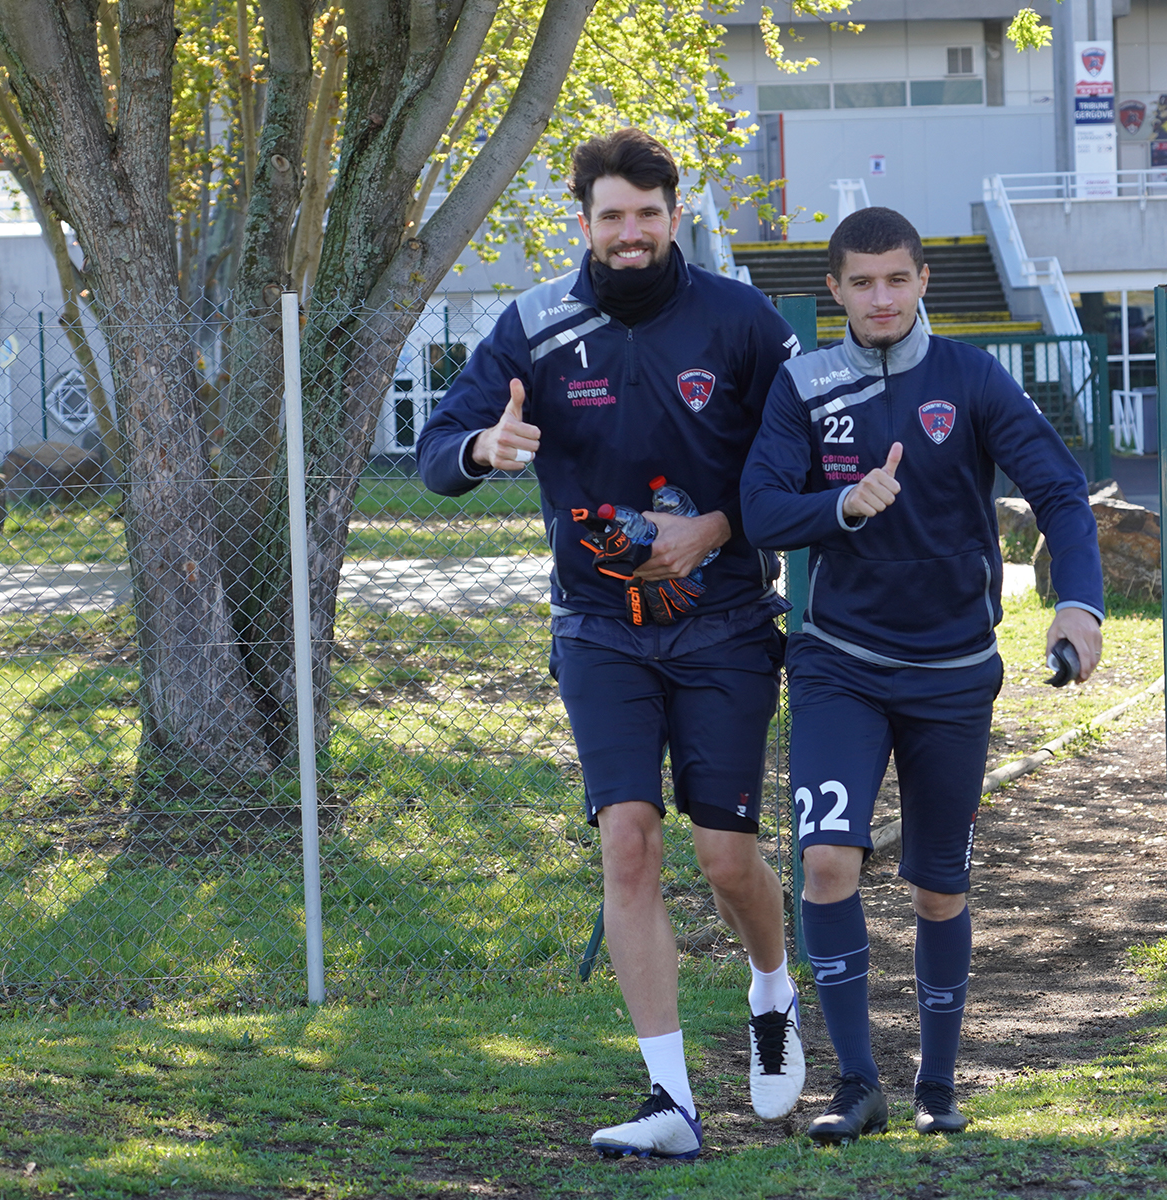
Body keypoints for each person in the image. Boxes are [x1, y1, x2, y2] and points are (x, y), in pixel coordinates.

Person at [416, 129, 805, 1160]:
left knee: (726, 859)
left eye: (647, 215)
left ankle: (773, 987)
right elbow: (433, 454)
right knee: (627, 839)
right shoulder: (533, 328)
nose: (629, 235)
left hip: (723, 625)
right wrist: (481, 446)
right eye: (610, 217)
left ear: (674, 216)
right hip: (597, 630)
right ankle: (671, 1103)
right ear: (581, 223)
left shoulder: (742, 322)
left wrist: (714, 529)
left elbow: (797, 467)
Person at [739, 207, 1105, 1143]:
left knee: (939, 885)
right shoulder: (804, 384)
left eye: (896, 278)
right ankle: (856, 1084)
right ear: (835, 290)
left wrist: (1079, 603)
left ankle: (937, 1085)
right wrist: (842, 504)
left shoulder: (973, 377)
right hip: (839, 664)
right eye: (861, 283)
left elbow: (1061, 490)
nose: (881, 298)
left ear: (923, 279)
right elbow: (762, 510)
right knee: (826, 861)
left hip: (953, 672)